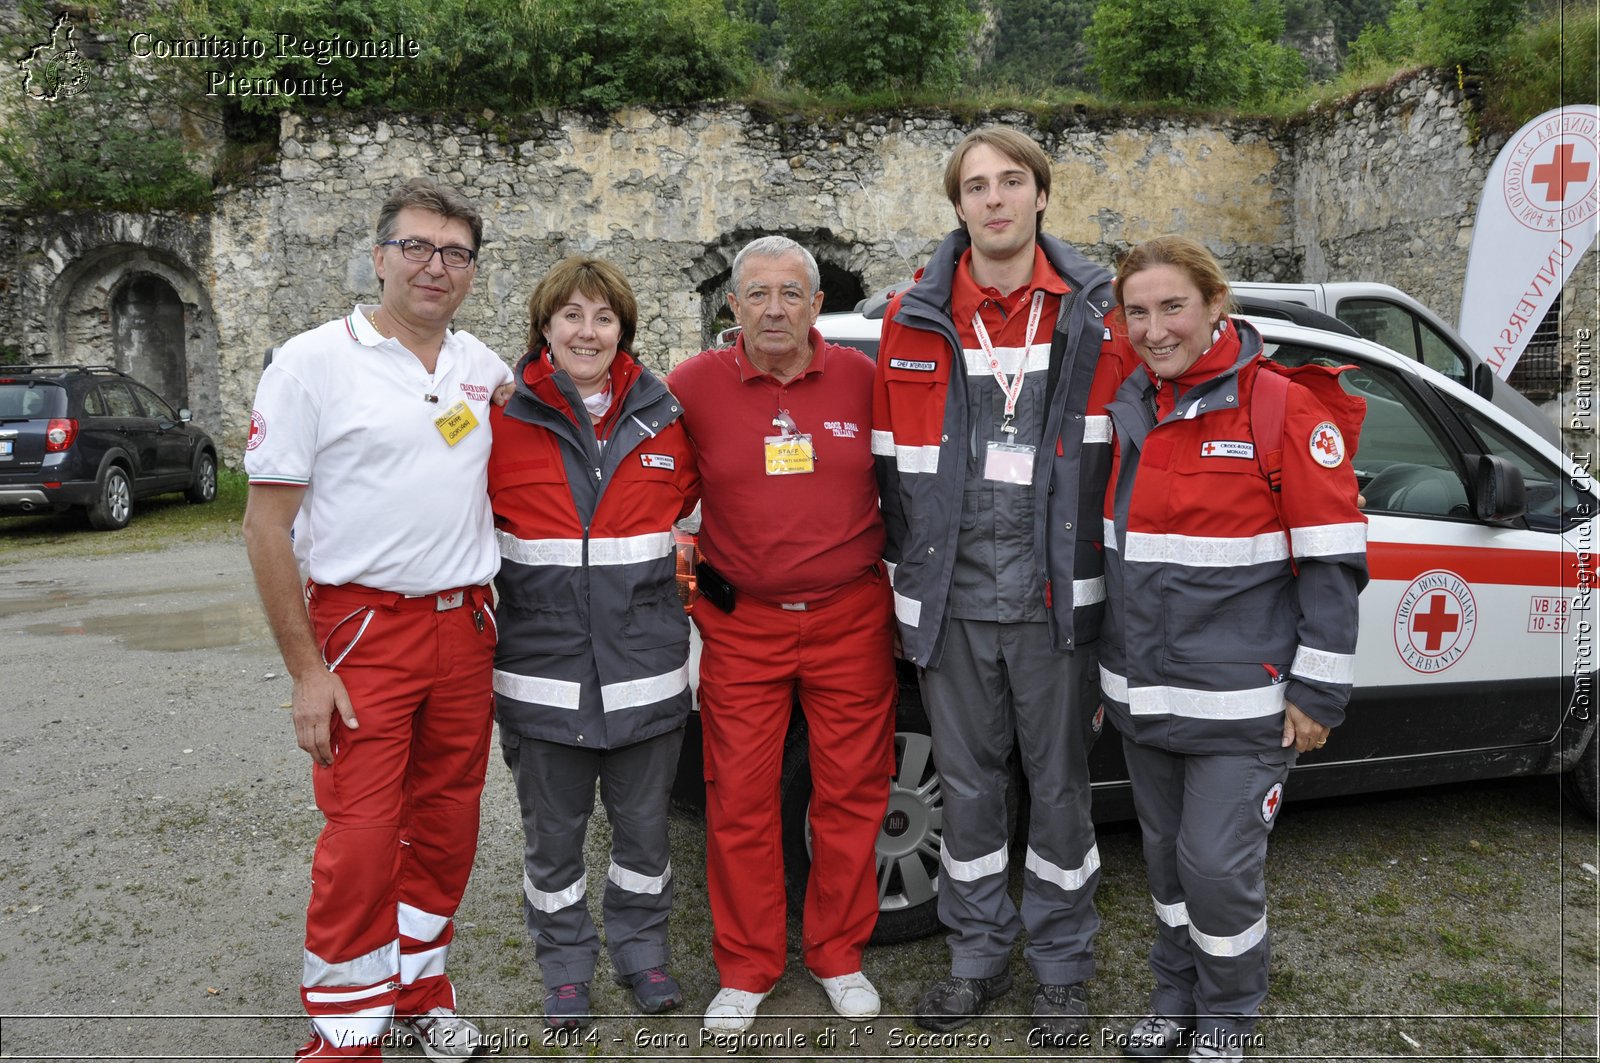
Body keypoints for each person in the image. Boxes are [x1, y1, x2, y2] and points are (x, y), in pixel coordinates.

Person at [872, 125, 1136, 1038]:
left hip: (1055, 604)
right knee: (971, 793)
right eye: (975, 186)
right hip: (950, 610)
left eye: (1009, 181)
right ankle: (978, 956)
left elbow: (1157, 428)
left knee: (1060, 791)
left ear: (1040, 195)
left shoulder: (1099, 312)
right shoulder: (912, 318)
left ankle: (1062, 967)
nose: (993, 199)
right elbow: (885, 475)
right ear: (958, 207)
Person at [242, 177, 512, 1061]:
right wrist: (307, 672)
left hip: (466, 628)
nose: (436, 267)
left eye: (456, 253)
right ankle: (346, 1032)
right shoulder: (314, 362)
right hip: (364, 630)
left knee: (446, 823)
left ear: (472, 269)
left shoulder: (481, 366)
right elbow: (267, 525)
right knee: (360, 838)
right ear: (379, 256)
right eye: (417, 248)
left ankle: (421, 986)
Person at [1099, 236, 1366, 1061]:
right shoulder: (1131, 405)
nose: (1154, 328)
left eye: (1172, 306)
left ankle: (1228, 1016)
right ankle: (1174, 993)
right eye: (1137, 311)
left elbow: (1332, 560)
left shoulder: (1282, 406)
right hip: (1147, 700)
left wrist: (1318, 693)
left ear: (1218, 306)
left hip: (1245, 707)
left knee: (1215, 868)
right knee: (1168, 870)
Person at [667, 236, 896, 1034]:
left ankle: (838, 954)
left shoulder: (864, 381)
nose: (774, 309)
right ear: (731, 306)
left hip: (849, 615)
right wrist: (684, 583)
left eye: (790, 293)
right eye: (756, 294)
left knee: (853, 791)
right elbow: (658, 496)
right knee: (738, 796)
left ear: (816, 302)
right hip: (743, 625)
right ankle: (748, 965)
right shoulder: (691, 386)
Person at [488, 257, 699, 1030]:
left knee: (646, 840)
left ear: (624, 331)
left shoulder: (668, 421)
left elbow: (711, 513)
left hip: (646, 680)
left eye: (603, 317)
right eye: (571, 315)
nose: (587, 330)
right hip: (543, 685)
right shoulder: (499, 420)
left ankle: (643, 956)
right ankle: (567, 967)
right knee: (554, 847)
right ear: (545, 328)